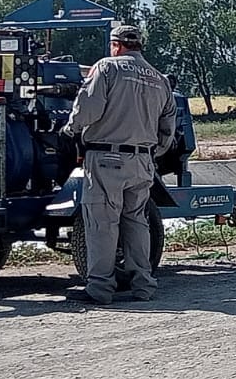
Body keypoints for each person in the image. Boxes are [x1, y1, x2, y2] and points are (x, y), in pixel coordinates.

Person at [63, 23, 177, 304]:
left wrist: (70, 130)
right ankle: (144, 286)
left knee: (102, 221)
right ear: (139, 45)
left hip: (106, 158)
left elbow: (88, 110)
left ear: (116, 45)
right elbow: (168, 129)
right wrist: (150, 152)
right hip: (142, 161)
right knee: (136, 222)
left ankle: (100, 289)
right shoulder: (159, 79)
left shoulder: (106, 68)